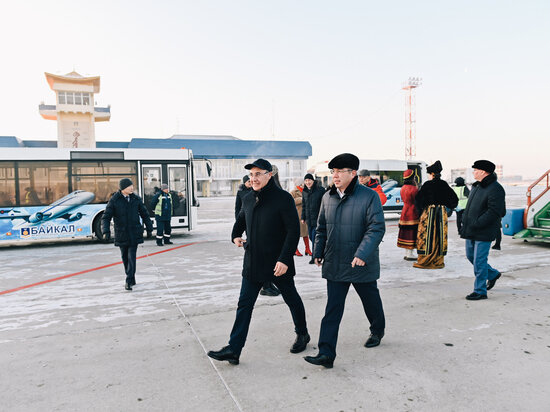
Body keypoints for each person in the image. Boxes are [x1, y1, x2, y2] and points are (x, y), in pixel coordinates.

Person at [207, 159, 309, 365]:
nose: (253, 178)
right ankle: (234, 349)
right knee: (244, 304)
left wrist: (284, 259)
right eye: (251, 175)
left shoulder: (283, 198)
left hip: (278, 264)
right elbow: (241, 220)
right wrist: (235, 235)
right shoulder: (248, 198)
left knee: (291, 299)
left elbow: (293, 231)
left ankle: (302, 333)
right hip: (253, 261)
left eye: (258, 174)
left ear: (269, 175)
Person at [304, 153, 386, 369]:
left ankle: (377, 329)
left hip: (360, 262)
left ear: (353, 173)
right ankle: (326, 353)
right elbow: (321, 228)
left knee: (370, 301)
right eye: (333, 171)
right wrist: (318, 251)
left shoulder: (369, 196)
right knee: (332, 309)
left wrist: (362, 254)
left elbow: (376, 228)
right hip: (335, 261)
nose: (335, 175)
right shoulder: (327, 197)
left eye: (340, 171)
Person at [460, 160, 506, 300]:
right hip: (471, 229)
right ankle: (492, 274)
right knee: (470, 256)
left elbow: (495, 211)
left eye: (475, 170)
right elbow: (470, 208)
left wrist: (478, 223)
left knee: (479, 261)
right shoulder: (477, 186)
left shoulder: (495, 188)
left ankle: (480, 291)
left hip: (484, 230)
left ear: (483, 172)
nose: (473, 172)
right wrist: (465, 220)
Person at [102, 178, 153, 291]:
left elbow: (144, 214)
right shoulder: (114, 200)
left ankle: (128, 280)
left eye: (132, 186)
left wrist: (149, 228)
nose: (132, 188)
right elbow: (106, 217)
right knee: (125, 257)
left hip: (134, 232)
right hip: (122, 233)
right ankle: (131, 276)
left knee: (131, 257)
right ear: (123, 188)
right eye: (129, 186)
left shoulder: (136, 199)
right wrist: (106, 231)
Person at [236, 174, 280, 297]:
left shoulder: (260, 192)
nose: (251, 182)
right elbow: (239, 212)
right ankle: (266, 286)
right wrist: (237, 232)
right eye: (249, 179)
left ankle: (268, 284)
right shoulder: (243, 194)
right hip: (249, 227)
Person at [413, 161, 458, 269]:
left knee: (426, 236)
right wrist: (446, 207)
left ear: (432, 174)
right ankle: (438, 260)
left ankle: (425, 260)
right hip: (441, 213)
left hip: (429, 213)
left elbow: (418, 200)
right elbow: (454, 200)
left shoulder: (427, 185)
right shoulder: (444, 184)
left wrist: (421, 210)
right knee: (439, 236)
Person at [301, 173, 325, 264]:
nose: (307, 182)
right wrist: (303, 217)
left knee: (315, 237)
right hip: (309, 219)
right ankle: (320, 252)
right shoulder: (304, 191)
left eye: (309, 180)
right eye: (306, 181)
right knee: (311, 237)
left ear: (313, 181)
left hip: (318, 218)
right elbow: (304, 205)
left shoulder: (320, 190)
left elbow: (324, 204)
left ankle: (314, 257)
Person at [397, 169, 419, 261]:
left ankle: (407, 253)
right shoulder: (414, 189)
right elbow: (417, 201)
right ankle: (410, 254)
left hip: (404, 211)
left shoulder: (403, 188)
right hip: (412, 211)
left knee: (406, 232)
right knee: (412, 232)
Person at [290, 179, 312, 257]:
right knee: (297, 234)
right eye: (303, 183)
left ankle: (307, 249)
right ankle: (295, 250)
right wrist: (301, 199)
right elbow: (291, 201)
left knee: (306, 233)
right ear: (300, 184)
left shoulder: (306, 191)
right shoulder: (293, 192)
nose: (305, 184)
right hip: (297, 215)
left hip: (305, 215)